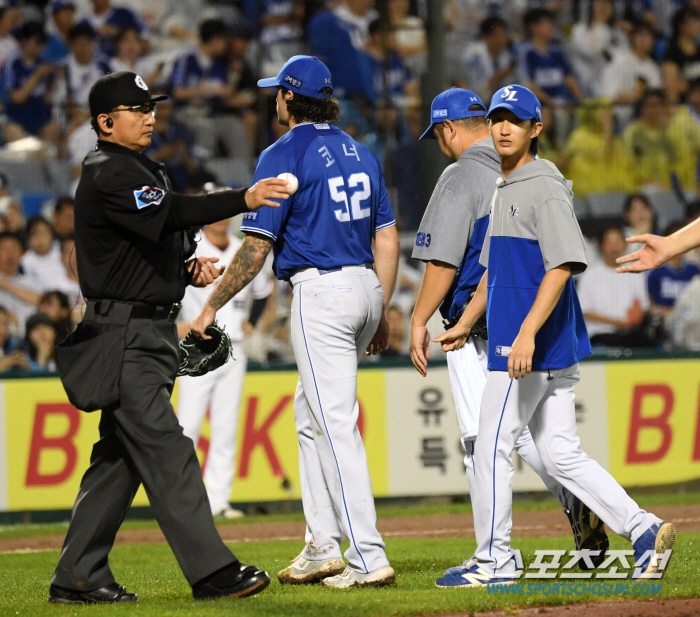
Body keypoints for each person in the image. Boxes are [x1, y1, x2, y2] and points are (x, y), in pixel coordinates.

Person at [48, 71, 290, 604]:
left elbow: (141, 244)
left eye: (150, 106)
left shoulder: (135, 167)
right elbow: (174, 210)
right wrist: (244, 197)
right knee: (169, 449)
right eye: (137, 109)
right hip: (125, 335)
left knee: (120, 459)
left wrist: (184, 270)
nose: (150, 115)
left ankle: (78, 576)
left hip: (144, 329)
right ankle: (212, 572)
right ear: (106, 122)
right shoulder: (108, 169)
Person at [434, 84, 675, 587]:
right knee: (561, 453)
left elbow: (563, 264)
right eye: (498, 118)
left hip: (529, 344)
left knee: (492, 446)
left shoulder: (543, 184)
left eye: (515, 120)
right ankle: (644, 529)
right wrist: (462, 321)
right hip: (539, 342)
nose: (503, 128)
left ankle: (493, 562)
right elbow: (491, 271)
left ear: (535, 129)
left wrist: (523, 335)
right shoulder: (505, 184)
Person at [190, 55, 400, 589]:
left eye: (276, 93)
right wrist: (382, 303)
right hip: (365, 287)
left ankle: (368, 555)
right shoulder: (361, 150)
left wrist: (212, 305)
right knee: (309, 414)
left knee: (333, 424)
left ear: (288, 97)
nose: (273, 101)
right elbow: (387, 235)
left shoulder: (281, 153)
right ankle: (321, 545)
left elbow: (257, 247)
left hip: (322, 292)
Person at [410, 87, 606, 584]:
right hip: (523, 321)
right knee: (528, 436)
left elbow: (442, 260)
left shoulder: (460, 175)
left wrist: (418, 319)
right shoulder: (521, 168)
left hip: (476, 327)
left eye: (437, 135)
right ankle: (577, 502)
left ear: (448, 129)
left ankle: (493, 555)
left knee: (486, 441)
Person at [176, 202, 273, 521]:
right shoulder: (191, 247)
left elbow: (263, 289)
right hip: (197, 347)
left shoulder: (243, 247)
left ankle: (218, 500)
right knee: (186, 426)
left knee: (226, 428)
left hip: (235, 347)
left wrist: (254, 321)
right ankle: (182, 499)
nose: (220, 215)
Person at [170, 19, 251, 160]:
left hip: (210, 113)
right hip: (185, 113)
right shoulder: (187, 60)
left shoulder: (219, 65)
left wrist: (235, 75)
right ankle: (204, 174)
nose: (226, 44)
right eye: (223, 40)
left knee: (235, 125)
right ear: (214, 40)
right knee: (205, 128)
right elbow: (178, 93)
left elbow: (225, 95)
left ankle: (244, 172)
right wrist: (205, 89)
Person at [578, 226, 650, 346]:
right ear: (601, 246)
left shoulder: (635, 272)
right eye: (609, 242)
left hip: (630, 332)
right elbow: (584, 310)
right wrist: (616, 322)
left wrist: (634, 319)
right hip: (599, 333)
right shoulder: (590, 274)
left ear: (625, 245)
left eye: (617, 241)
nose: (614, 246)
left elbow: (643, 305)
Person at [2, 21, 60, 144]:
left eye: (42, 44)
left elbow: (48, 98)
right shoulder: (12, 63)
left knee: (53, 129)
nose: (39, 48)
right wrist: (36, 76)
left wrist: (55, 81)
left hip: (39, 115)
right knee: (16, 135)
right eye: (36, 43)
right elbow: (17, 98)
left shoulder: (44, 64)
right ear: (24, 41)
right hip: (17, 116)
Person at [647, 222, 700, 316]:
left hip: (690, 319)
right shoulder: (656, 273)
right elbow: (651, 304)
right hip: (664, 320)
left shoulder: (694, 270)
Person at [0, 232, 42, 337]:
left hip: (29, 338)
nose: (10, 254)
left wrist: (7, 286)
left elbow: (43, 302)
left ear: (22, 253)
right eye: (5, 249)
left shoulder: (32, 280)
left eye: (14, 249)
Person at [662, 7, 700, 104]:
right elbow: (672, 86)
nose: (697, 25)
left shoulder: (698, 48)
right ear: (681, 25)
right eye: (692, 22)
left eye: (697, 21)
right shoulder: (672, 52)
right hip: (684, 106)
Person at [20, 216, 65, 290]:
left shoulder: (62, 251)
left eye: (44, 233)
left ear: (52, 235)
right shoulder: (24, 261)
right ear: (28, 239)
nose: (40, 239)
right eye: (35, 235)